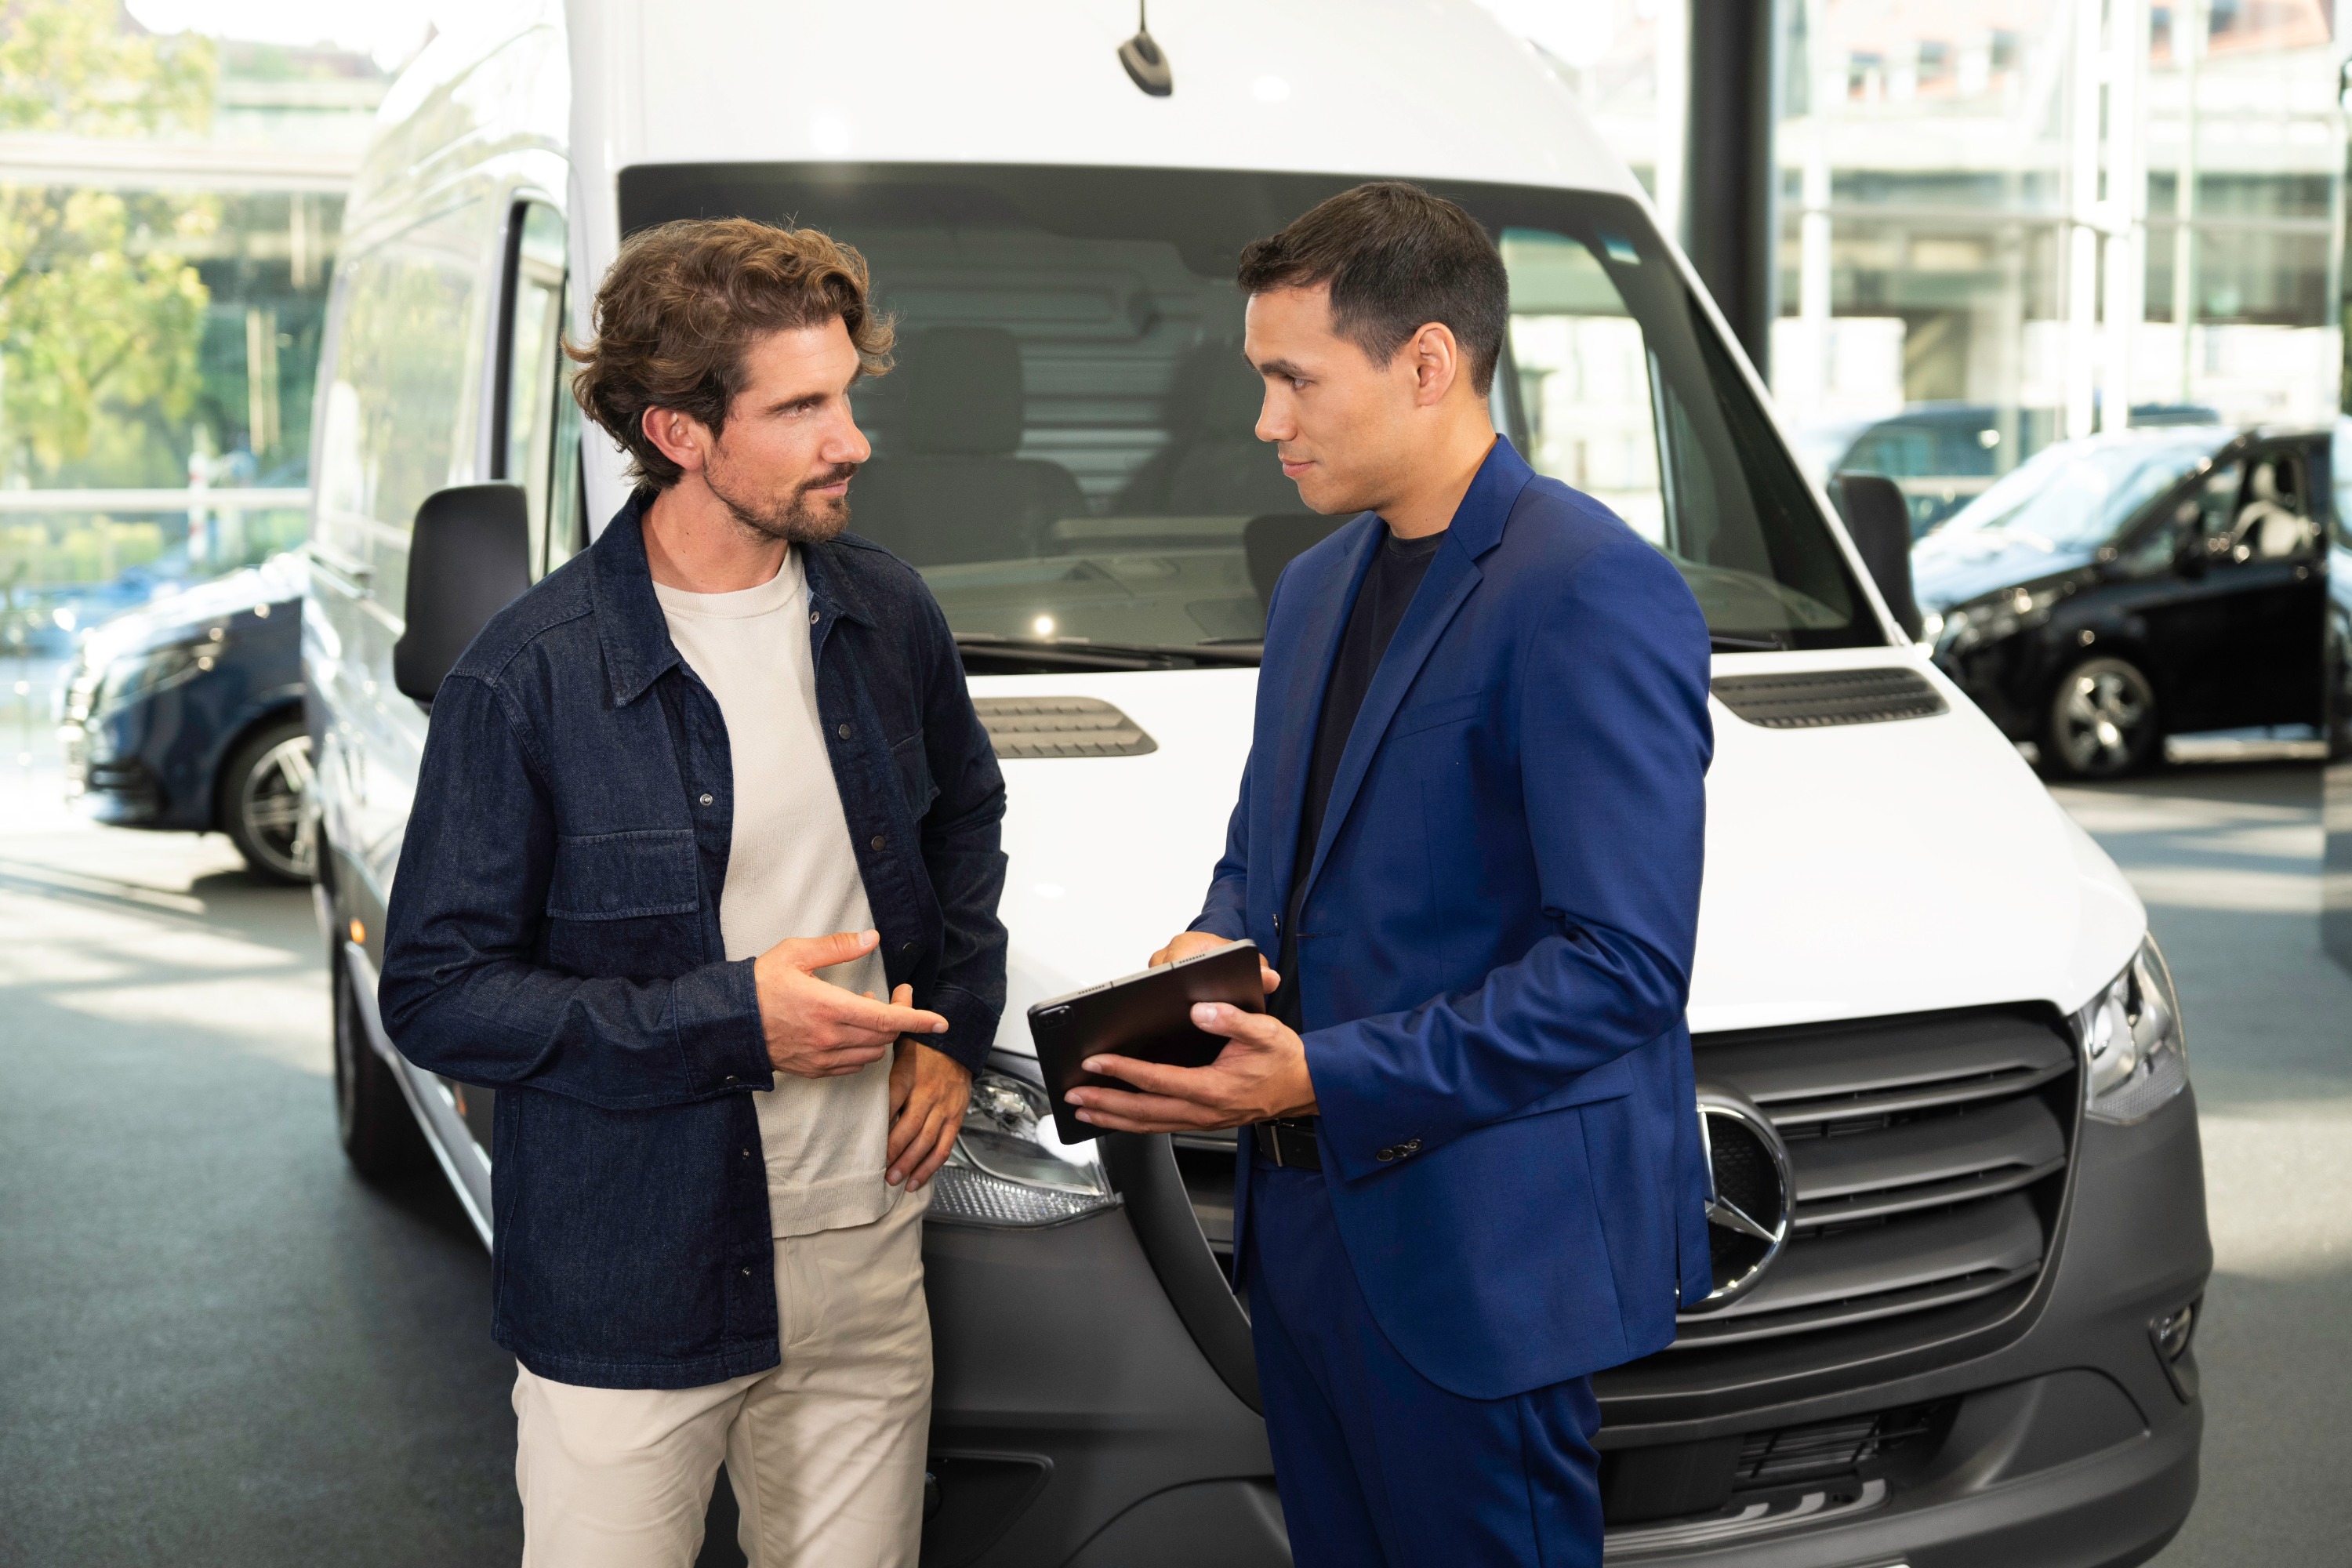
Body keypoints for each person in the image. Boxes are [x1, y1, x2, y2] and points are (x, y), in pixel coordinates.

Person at [1065, 183, 1715, 1566]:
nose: (1263, 422)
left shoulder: (1590, 587)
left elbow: (1623, 970)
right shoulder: (1312, 590)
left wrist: (1323, 1076)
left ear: (1427, 362)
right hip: (1308, 1250)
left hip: (1486, 1259)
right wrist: (1202, 950)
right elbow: (1265, 864)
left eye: (1292, 379)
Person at [379, 217, 1009, 1568]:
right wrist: (734, 1023)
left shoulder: (888, 617)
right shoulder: (526, 677)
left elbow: (964, 821)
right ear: (679, 433)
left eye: (847, 395)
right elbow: (437, 995)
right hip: (632, 1270)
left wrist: (954, 1026)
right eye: (802, 408)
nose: (852, 440)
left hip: (862, 1248)